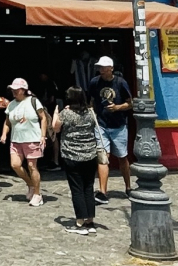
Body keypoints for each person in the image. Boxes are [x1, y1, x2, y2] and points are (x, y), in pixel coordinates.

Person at [51, 87, 99, 235]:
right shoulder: (91, 112)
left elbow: (55, 128)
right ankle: (90, 220)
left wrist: (55, 113)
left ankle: (80, 222)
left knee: (77, 189)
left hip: (72, 155)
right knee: (88, 187)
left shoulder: (66, 113)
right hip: (90, 154)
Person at [90, 56, 132, 204]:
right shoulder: (95, 82)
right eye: (100, 67)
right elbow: (92, 100)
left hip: (119, 126)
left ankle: (128, 186)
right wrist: (92, 112)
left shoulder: (120, 83)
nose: (101, 70)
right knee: (103, 157)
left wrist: (117, 108)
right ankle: (102, 192)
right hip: (101, 125)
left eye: (104, 67)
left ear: (111, 68)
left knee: (122, 157)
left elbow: (130, 103)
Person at [0, 78, 47, 207]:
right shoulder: (11, 104)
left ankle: (37, 194)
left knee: (32, 166)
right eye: (12, 89)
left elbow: (43, 118)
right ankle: (30, 184)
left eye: (17, 89)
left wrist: (43, 136)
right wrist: (4, 134)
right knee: (15, 165)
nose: (14, 91)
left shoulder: (33, 101)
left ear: (23, 90)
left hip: (32, 139)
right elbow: (7, 121)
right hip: (16, 140)